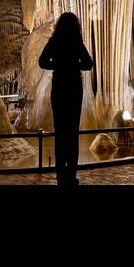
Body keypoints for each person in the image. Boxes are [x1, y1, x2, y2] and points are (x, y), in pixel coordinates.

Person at [38, 12, 94, 185]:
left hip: (60, 88)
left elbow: (42, 62)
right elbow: (88, 64)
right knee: (72, 133)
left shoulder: (54, 41)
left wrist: (58, 65)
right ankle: (71, 174)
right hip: (74, 89)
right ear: (75, 26)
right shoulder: (76, 42)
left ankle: (61, 175)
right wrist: (73, 65)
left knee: (60, 133)